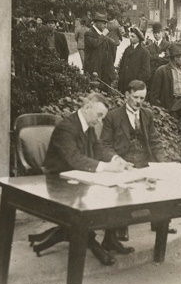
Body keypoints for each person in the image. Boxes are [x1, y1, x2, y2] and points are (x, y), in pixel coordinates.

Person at [41, 93, 131, 266]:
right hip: (58, 181)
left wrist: (116, 160)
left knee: (115, 189)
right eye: (99, 115)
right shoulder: (66, 127)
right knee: (99, 195)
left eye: (102, 117)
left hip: (78, 177)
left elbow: (98, 149)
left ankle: (110, 238)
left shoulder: (86, 126)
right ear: (88, 106)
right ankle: (91, 241)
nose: (99, 121)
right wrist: (105, 167)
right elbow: (74, 158)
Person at [100, 80, 166, 253]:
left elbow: (155, 141)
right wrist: (116, 160)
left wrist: (163, 162)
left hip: (144, 162)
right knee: (120, 193)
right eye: (135, 97)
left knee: (163, 184)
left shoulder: (147, 114)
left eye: (142, 98)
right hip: (123, 163)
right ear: (127, 95)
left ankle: (161, 223)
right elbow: (104, 145)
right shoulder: (113, 116)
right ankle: (114, 234)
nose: (139, 102)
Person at [148, 43, 181, 129]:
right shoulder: (162, 71)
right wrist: (160, 112)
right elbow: (154, 95)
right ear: (175, 58)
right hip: (170, 109)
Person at [83, 12, 119, 87]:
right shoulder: (89, 33)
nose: (105, 25)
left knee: (105, 92)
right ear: (97, 23)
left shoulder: (102, 34)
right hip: (94, 69)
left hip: (105, 70)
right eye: (103, 23)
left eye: (105, 23)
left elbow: (113, 45)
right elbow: (94, 44)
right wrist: (103, 35)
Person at [117, 27, 151, 93]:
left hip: (135, 86)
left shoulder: (144, 52)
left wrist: (137, 83)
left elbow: (146, 72)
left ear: (139, 38)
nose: (130, 38)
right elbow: (122, 66)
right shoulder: (127, 50)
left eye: (133, 36)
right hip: (124, 85)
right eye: (130, 36)